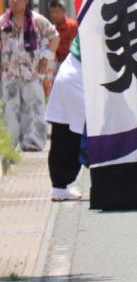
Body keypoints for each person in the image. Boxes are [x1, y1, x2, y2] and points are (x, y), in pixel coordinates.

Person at [0, 0, 58, 151]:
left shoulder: (37, 20)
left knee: (33, 109)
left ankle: (32, 143)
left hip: (32, 72)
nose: (14, 1)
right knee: (9, 109)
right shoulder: (3, 21)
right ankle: (9, 145)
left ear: (26, 1)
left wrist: (45, 58)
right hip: (9, 73)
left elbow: (54, 37)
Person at [45, 37, 85, 201]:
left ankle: (59, 186)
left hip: (69, 72)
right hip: (79, 76)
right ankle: (60, 186)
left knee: (64, 133)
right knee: (73, 136)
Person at [47, 0, 78, 69]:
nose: (54, 15)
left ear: (64, 11)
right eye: (52, 12)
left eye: (57, 11)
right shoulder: (52, 28)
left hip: (71, 63)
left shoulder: (72, 25)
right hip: (57, 63)